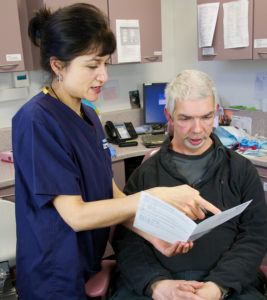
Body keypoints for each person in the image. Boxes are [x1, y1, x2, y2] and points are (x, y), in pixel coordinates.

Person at [12, 6, 221, 300]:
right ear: (58, 65)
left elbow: (112, 196)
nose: (103, 76)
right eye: (92, 65)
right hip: (52, 274)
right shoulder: (37, 121)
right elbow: (76, 216)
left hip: (85, 262)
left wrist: (154, 237)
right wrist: (155, 196)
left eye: (105, 63)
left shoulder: (89, 115)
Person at [111, 70, 267, 300]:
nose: (197, 129)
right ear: (169, 115)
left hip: (226, 286)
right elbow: (128, 242)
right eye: (185, 118)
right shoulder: (145, 175)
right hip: (160, 286)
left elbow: (255, 236)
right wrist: (157, 284)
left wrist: (218, 287)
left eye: (206, 117)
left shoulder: (241, 170)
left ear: (215, 112)